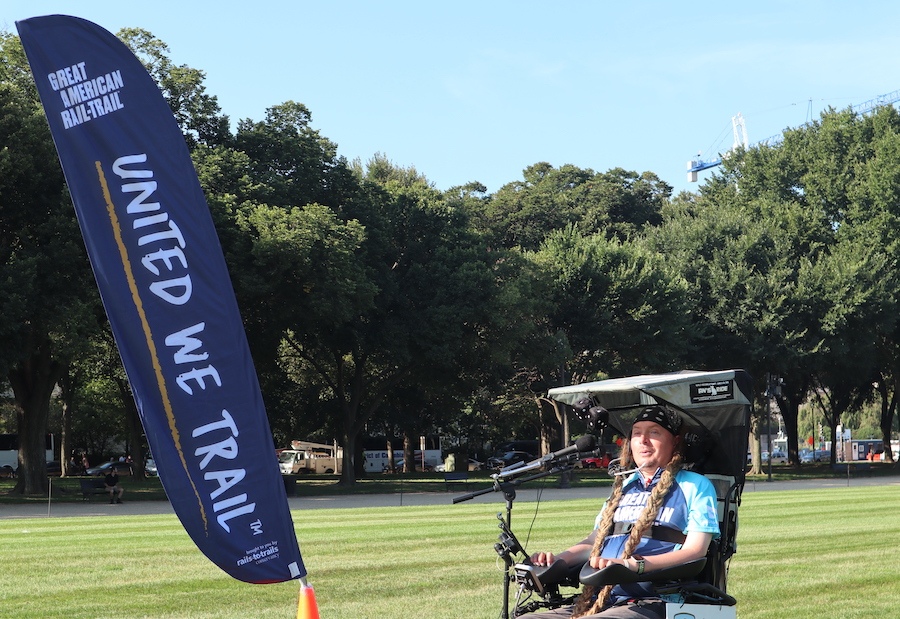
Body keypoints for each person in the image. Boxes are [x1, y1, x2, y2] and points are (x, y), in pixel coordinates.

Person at [524, 405, 720, 619]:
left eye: (654, 432)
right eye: (637, 433)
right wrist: (555, 560)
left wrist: (633, 565)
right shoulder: (624, 486)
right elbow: (593, 543)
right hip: (601, 600)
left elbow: (696, 551)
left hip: (655, 600)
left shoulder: (695, 485)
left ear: (674, 441)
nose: (643, 440)